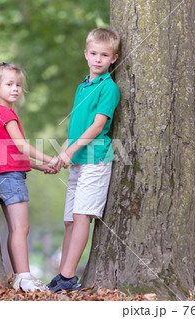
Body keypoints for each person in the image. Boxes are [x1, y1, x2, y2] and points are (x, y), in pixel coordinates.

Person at [47, 27, 121, 292]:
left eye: (104, 55)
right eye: (93, 53)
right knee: (69, 220)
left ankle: (68, 277)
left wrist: (68, 152)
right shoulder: (82, 87)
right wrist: (60, 156)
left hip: (95, 160)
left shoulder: (108, 88)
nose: (98, 59)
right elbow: (76, 129)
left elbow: (96, 127)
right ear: (86, 54)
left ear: (114, 58)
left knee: (81, 217)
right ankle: (60, 275)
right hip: (77, 159)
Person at [0, 62, 61, 292]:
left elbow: (9, 153)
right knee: (22, 229)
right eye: (9, 84)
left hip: (6, 175)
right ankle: (25, 277)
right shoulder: (6, 113)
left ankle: (20, 277)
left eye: (18, 85)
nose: (15, 89)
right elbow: (21, 146)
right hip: (11, 178)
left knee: (16, 229)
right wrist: (51, 158)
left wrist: (40, 167)